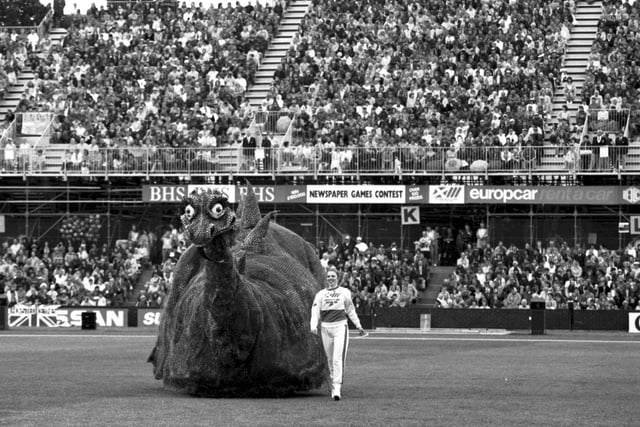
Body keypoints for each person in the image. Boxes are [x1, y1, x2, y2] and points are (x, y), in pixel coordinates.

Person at [310, 266, 366, 401]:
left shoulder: (344, 292)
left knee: (337, 359)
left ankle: (337, 388)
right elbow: (315, 312)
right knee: (330, 360)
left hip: (341, 327)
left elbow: (351, 310)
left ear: (338, 278)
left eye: (333, 276)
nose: (330, 278)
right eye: (328, 276)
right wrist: (313, 325)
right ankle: (333, 380)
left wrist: (358, 326)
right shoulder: (320, 294)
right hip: (325, 328)